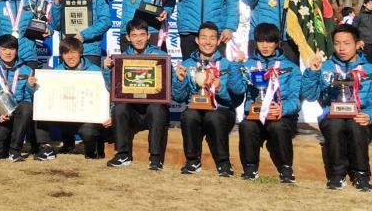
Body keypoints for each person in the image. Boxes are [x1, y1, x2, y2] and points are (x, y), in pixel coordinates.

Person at [302, 24, 372, 192]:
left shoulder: (371, 70)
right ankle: (337, 174)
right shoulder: (325, 67)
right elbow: (310, 95)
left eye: (347, 43)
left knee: (355, 125)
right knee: (335, 125)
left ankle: (361, 174)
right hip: (332, 116)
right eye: (337, 43)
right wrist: (312, 72)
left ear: (358, 44)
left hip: (360, 117)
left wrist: (370, 115)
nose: (341, 48)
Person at [172, 22, 245, 177]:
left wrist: (220, 89)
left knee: (214, 116)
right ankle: (192, 161)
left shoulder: (228, 65)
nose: (207, 42)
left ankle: (224, 163)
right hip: (197, 111)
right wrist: (179, 81)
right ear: (197, 40)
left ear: (219, 41)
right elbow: (178, 98)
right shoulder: (186, 64)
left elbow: (235, 100)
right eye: (203, 37)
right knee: (188, 115)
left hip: (222, 111)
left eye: (212, 38)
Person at [236, 23, 300, 183]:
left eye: (270, 41)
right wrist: (235, 67)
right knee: (246, 125)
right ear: (255, 42)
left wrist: (281, 108)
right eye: (261, 41)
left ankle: (286, 168)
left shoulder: (291, 67)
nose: (265, 46)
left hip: (280, 116)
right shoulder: (248, 66)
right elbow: (237, 90)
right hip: (256, 115)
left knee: (276, 126)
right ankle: (250, 167)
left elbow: (295, 100)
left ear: (278, 43)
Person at [105, 19, 169, 170]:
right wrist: (108, 70)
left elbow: (168, 86)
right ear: (127, 37)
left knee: (156, 107)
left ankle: (155, 158)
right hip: (133, 112)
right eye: (134, 35)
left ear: (148, 36)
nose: (138, 39)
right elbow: (113, 88)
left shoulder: (160, 55)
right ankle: (123, 154)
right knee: (119, 108)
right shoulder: (120, 59)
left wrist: (160, 65)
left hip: (152, 111)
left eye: (142, 34)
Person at [34, 36, 111, 161]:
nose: (70, 57)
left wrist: (110, 114)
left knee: (88, 131)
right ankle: (46, 147)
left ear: (80, 53)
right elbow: (46, 94)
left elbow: (109, 94)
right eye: (65, 53)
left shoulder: (96, 71)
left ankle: (92, 150)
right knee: (39, 109)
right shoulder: (56, 71)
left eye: (73, 52)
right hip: (66, 113)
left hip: (88, 116)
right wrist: (32, 87)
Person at [353, 0, 372, 65]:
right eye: (370, 4)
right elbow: (353, 29)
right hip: (365, 43)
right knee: (367, 62)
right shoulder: (359, 16)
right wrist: (359, 40)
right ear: (365, 4)